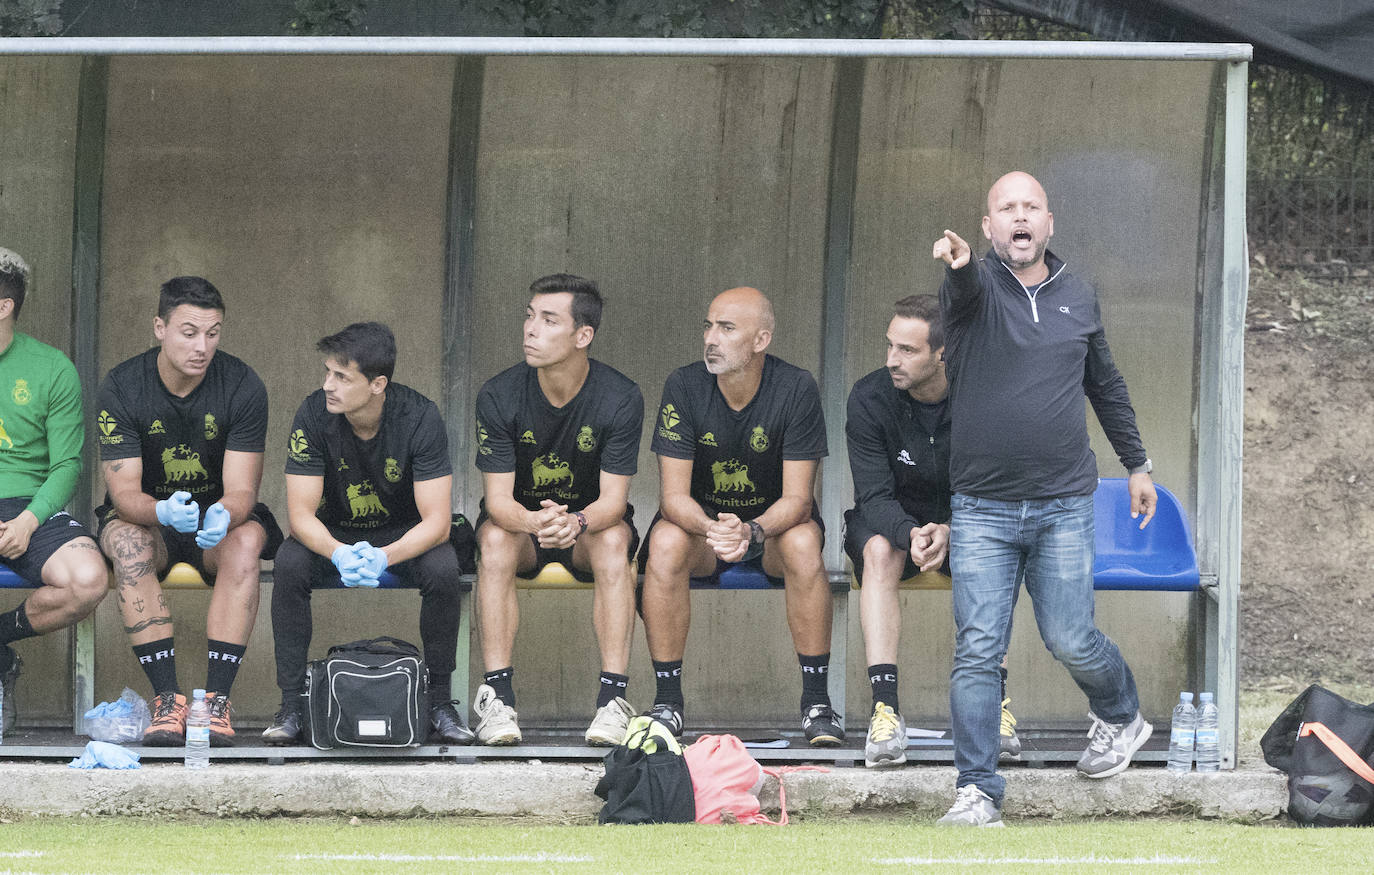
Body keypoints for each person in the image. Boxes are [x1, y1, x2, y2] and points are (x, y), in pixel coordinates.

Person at [931, 171, 1158, 827]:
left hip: (1063, 503)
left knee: (1069, 636)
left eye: (1031, 207)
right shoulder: (972, 292)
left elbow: (1106, 385)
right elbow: (965, 284)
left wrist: (1137, 464)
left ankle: (1121, 715)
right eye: (1007, 208)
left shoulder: (1079, 295)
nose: (1020, 216)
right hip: (981, 507)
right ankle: (977, 790)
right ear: (988, 226)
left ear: (1050, 223)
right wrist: (960, 266)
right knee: (978, 647)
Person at [639, 286, 837, 745]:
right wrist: (714, 529)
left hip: (773, 530)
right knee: (665, 542)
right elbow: (672, 497)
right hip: (703, 534)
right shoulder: (684, 385)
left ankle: (817, 703)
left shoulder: (796, 387)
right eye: (708, 326)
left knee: (805, 541)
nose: (711, 338)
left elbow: (799, 500)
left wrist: (752, 530)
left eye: (727, 329)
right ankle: (668, 703)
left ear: (761, 340)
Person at [263, 321, 473, 746]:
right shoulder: (312, 413)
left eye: (342, 376)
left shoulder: (420, 416)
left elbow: (436, 521)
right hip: (332, 533)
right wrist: (339, 553)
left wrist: (385, 556)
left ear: (378, 384)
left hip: (404, 535)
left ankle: (439, 702)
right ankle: (292, 705)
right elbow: (300, 516)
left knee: (444, 566)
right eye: (327, 373)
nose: (328, 385)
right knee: (289, 563)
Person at [95, 276, 281, 746]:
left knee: (247, 542)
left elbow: (243, 489)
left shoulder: (242, 384)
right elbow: (123, 494)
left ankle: (216, 701)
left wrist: (223, 513)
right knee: (127, 543)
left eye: (213, 333)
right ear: (159, 327)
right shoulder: (122, 385)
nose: (202, 346)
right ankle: (167, 700)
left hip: (216, 527)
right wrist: (161, 511)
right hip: (150, 521)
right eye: (189, 332)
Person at [844, 293, 1022, 769]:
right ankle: (885, 712)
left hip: (969, 516)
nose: (891, 360)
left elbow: (999, 487)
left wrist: (952, 529)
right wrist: (910, 533)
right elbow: (872, 497)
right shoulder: (869, 396)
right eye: (890, 346)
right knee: (879, 550)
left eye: (907, 350)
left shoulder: (983, 394)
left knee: (992, 548)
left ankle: (994, 708)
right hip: (892, 519)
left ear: (942, 353)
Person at [472, 274, 644, 747]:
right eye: (529, 316)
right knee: (492, 538)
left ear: (582, 335)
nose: (531, 329)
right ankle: (498, 699)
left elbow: (613, 501)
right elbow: (497, 502)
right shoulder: (499, 394)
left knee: (615, 541)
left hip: (588, 530)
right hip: (523, 529)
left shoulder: (620, 396)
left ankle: (612, 702)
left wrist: (576, 522)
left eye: (549, 320)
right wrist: (534, 521)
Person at [0, 248, 107, 733]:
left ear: (5, 306)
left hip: (27, 503)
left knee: (88, 579)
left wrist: (29, 519)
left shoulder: (52, 368)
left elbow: (68, 465)